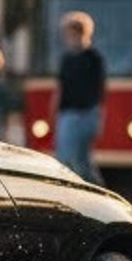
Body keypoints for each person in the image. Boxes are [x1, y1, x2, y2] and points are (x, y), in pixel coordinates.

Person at [53, 10, 106, 183]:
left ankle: (96, 190)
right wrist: (55, 111)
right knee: (67, 159)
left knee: (80, 160)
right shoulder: (66, 59)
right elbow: (61, 87)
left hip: (87, 113)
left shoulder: (94, 58)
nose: (69, 37)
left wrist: (99, 116)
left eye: (72, 32)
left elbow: (100, 89)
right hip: (68, 113)